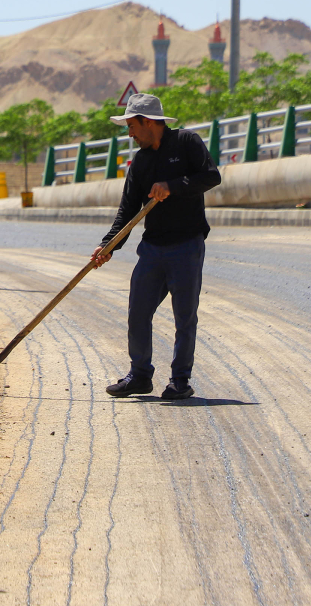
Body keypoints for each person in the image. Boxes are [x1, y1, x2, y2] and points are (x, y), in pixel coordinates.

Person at [90, 93, 221, 400]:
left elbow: (211, 176)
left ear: (148, 122)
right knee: (138, 311)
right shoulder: (140, 163)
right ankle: (139, 375)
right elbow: (127, 212)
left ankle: (180, 381)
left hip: (187, 246)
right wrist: (107, 246)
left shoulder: (187, 142)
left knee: (184, 316)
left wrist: (171, 187)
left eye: (132, 126)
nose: (129, 133)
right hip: (152, 249)